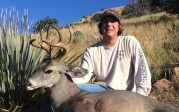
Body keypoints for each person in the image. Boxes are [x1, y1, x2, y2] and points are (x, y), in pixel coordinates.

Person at [72, 9, 151, 96]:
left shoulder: (130, 42)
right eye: (105, 22)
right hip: (101, 91)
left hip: (126, 95)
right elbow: (83, 76)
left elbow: (143, 72)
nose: (109, 24)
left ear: (119, 26)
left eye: (113, 21)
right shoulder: (91, 50)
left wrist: (141, 96)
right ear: (101, 27)